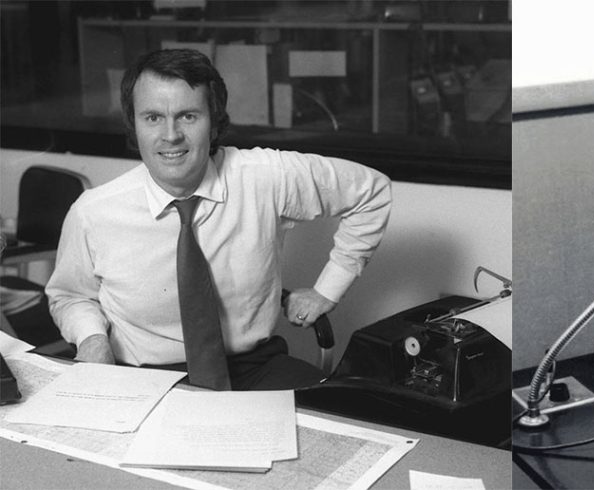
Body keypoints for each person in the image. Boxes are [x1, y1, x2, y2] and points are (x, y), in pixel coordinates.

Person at [46, 49, 392, 390]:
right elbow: (71, 295)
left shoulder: (266, 176)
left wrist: (326, 291)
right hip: (144, 378)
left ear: (213, 122)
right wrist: (92, 339)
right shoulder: (94, 211)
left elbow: (371, 192)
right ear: (134, 125)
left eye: (188, 116)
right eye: (152, 117)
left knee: (348, 422)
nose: (170, 135)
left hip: (254, 369)